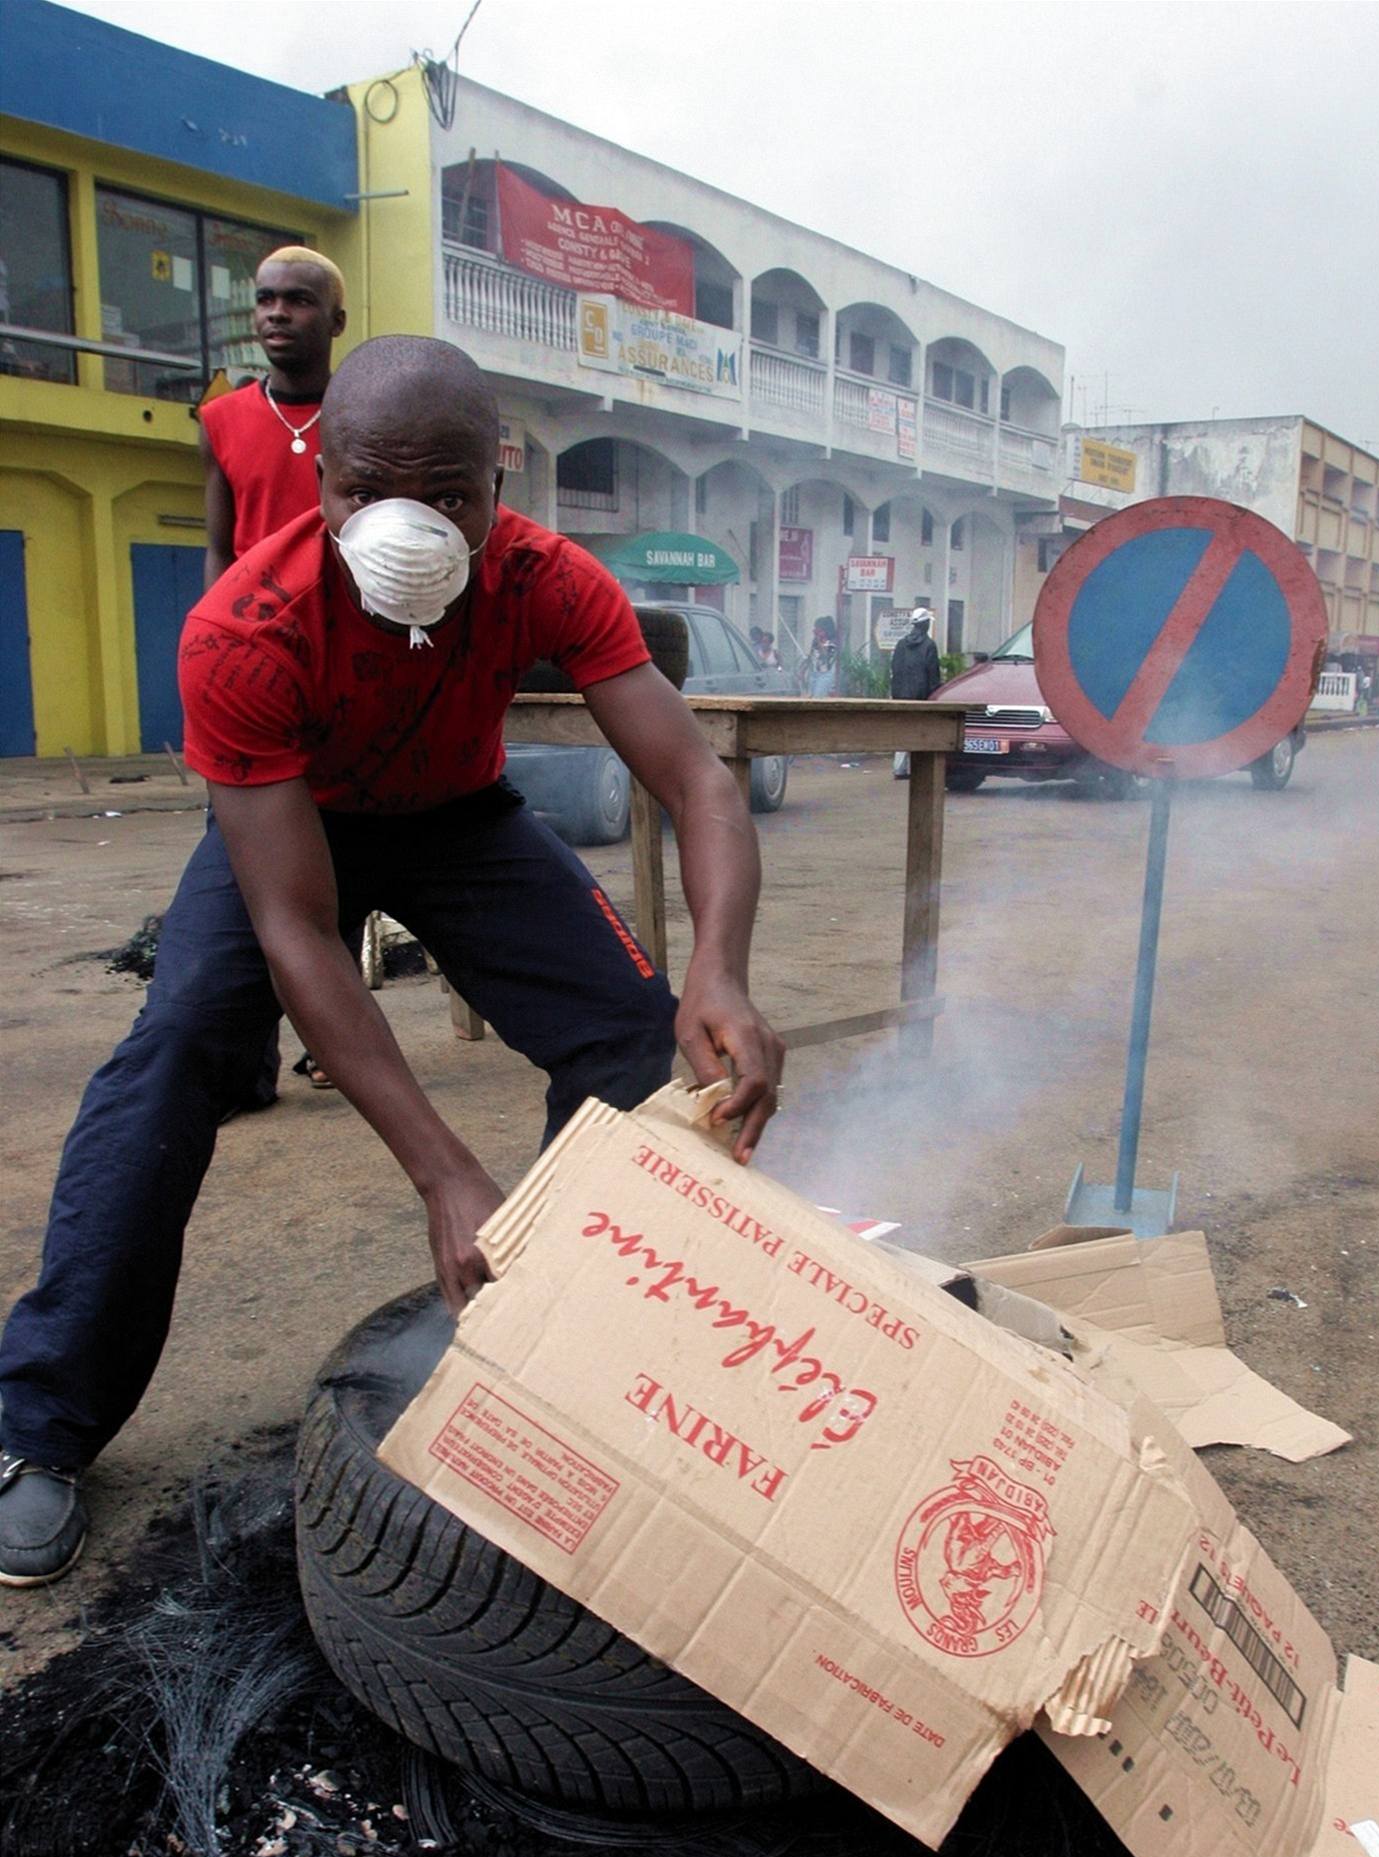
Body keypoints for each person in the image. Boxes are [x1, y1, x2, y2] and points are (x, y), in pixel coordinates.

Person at [0, 335, 784, 1587]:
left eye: (451, 497)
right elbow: (301, 929)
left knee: (636, 1037)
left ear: (497, 484)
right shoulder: (241, 629)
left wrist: (723, 971)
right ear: (321, 486)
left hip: (459, 820)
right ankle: (37, 1424)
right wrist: (444, 1172)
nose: (408, 527)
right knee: (178, 1051)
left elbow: (696, 778)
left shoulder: (546, 577)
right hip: (292, 824)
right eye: (368, 492)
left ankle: (551, 1338)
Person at [200, 245, 348, 1099]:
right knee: (247, 877)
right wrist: (214, 655)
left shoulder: (365, 414)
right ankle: (248, 1062)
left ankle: (335, 1036)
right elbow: (220, 547)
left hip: (341, 663)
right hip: (251, 674)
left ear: (334, 319)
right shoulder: (221, 421)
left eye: (297, 300)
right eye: (264, 300)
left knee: (339, 862)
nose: (276, 315)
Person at [890, 607, 941, 779]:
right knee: (920, 732)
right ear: (926, 625)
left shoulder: (901, 644)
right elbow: (933, 674)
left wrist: (896, 693)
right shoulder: (929, 646)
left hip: (900, 695)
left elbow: (894, 669)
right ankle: (916, 769)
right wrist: (934, 695)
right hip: (921, 697)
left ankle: (899, 768)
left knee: (903, 730)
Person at [800, 616, 839, 698]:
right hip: (813, 673)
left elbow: (826, 656)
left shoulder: (833, 642)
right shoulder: (815, 641)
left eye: (819, 629)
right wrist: (803, 669)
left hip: (825, 674)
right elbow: (811, 656)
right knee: (810, 696)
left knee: (818, 697)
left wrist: (819, 641)